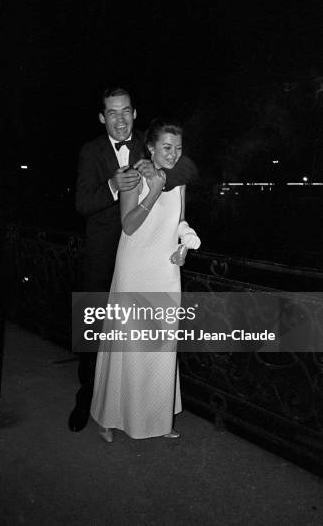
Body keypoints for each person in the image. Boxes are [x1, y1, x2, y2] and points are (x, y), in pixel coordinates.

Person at [68, 87, 199, 433]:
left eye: (126, 111)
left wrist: (161, 176)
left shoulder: (150, 142)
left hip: (152, 254)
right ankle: (90, 403)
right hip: (106, 252)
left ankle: (151, 413)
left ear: (135, 113)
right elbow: (82, 203)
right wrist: (114, 184)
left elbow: (184, 167)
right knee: (99, 331)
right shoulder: (90, 151)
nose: (120, 119)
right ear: (102, 117)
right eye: (112, 113)